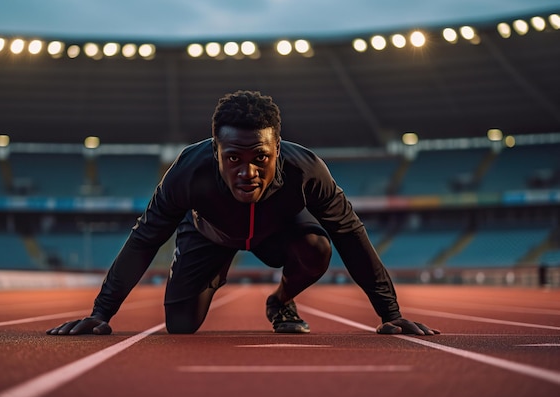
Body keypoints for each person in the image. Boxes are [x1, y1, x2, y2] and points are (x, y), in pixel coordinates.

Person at [47, 90, 440, 336]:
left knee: (318, 248)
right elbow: (145, 237)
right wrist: (101, 313)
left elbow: (351, 235)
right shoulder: (187, 172)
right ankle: (214, 271)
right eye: (233, 158)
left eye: (261, 158)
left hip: (279, 232)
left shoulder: (306, 171)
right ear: (215, 151)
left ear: (278, 148)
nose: (247, 172)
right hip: (209, 234)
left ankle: (281, 300)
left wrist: (390, 313)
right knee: (180, 328)